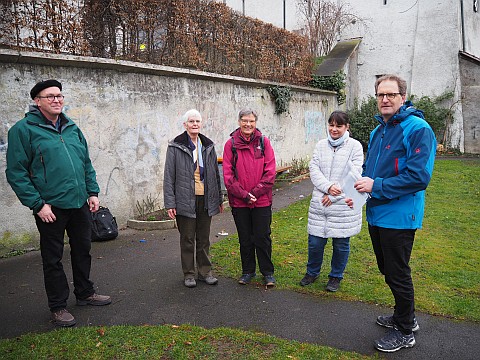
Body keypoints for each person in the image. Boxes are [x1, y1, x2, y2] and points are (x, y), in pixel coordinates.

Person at [5, 80, 111, 328]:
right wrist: (38, 204)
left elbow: (85, 162)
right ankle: (58, 306)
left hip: (79, 202)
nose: (56, 100)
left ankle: (85, 293)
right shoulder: (23, 130)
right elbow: (16, 172)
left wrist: (92, 192)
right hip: (50, 207)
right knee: (52, 258)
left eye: (59, 96)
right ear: (37, 101)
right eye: (50, 96)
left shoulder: (72, 127)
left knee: (83, 249)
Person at [347, 74, 436, 352]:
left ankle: (405, 330)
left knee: (398, 273)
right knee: (387, 269)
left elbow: (419, 177)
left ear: (402, 97)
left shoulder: (417, 129)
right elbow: (370, 172)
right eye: (380, 95)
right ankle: (403, 315)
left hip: (400, 215)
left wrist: (377, 185)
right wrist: (358, 191)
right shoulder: (378, 131)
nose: (385, 99)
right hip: (377, 212)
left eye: (391, 95)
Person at [300, 111, 364, 292]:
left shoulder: (355, 146)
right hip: (320, 201)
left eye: (338, 126)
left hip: (343, 204)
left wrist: (334, 195)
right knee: (315, 242)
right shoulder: (320, 145)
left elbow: (354, 174)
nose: (334, 129)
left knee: (341, 244)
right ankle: (312, 272)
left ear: (347, 127)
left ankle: (336, 277)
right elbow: (314, 169)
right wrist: (327, 187)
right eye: (331, 125)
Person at [163, 109, 223, 288]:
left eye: (197, 121)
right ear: (185, 125)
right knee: (187, 238)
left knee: (204, 238)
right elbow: (168, 176)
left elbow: (214, 175)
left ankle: (205, 272)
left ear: (201, 124)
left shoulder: (208, 146)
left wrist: (218, 199)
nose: (195, 124)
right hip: (184, 199)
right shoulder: (175, 146)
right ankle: (189, 274)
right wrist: (170, 203)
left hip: (205, 199)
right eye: (191, 121)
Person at [222, 108, 276, 287]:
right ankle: (248, 271)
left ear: (256, 123)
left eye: (251, 121)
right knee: (245, 238)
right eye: (244, 120)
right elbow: (228, 177)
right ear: (239, 122)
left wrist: (255, 193)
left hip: (261, 200)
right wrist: (245, 195)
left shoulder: (264, 142)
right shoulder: (231, 145)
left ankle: (267, 272)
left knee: (262, 237)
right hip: (240, 202)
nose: (248, 124)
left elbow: (270, 173)